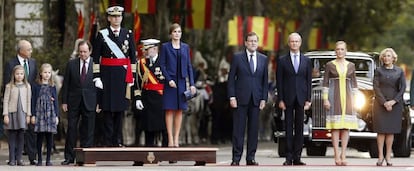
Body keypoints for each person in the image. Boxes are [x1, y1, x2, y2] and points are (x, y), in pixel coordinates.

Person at [91, 5, 137, 147]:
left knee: (120, 110)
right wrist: (97, 76)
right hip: (106, 76)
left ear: (122, 18)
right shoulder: (102, 34)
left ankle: (118, 141)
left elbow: (133, 58)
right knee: (107, 110)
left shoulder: (128, 34)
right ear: (109, 18)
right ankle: (107, 141)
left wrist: (132, 77)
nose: (117, 19)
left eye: (119, 16)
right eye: (114, 16)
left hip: (122, 76)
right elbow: (96, 57)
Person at [227, 32, 268, 166]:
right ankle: (236, 158)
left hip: (256, 99)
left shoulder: (263, 58)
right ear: (245, 43)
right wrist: (231, 96)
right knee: (238, 129)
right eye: (250, 41)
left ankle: (251, 157)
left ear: (258, 43)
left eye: (255, 41)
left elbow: (264, 80)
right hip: (240, 98)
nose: (252, 43)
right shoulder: (237, 57)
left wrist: (264, 98)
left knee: (253, 130)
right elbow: (231, 79)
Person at [276, 32, 311, 166]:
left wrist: (308, 99)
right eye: (292, 41)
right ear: (288, 43)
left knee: (300, 128)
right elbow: (279, 81)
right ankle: (288, 157)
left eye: (296, 41)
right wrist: (280, 100)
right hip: (287, 98)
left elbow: (308, 80)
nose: (294, 44)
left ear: (300, 43)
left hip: (301, 98)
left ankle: (297, 157)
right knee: (288, 128)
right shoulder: (282, 60)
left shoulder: (306, 60)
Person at [159, 23, 196, 147]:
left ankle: (176, 138)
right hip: (170, 81)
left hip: (181, 81)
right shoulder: (165, 47)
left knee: (180, 110)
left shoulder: (185, 47)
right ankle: (170, 138)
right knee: (169, 110)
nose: (177, 34)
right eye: (174, 32)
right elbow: (162, 65)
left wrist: (192, 83)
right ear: (170, 34)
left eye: (179, 32)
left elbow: (189, 66)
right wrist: (168, 79)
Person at [61, 40, 97, 165]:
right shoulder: (71, 64)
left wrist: (99, 103)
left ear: (90, 51)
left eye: (85, 52)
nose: (82, 54)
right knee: (71, 128)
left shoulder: (96, 65)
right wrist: (64, 101)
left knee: (88, 130)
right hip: (73, 101)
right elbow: (66, 84)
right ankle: (69, 157)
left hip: (90, 101)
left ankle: (87, 157)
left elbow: (102, 86)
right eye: (80, 52)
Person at [322, 41, 358, 166]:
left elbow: (354, 84)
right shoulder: (329, 65)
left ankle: (344, 154)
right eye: (337, 49)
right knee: (335, 127)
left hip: (347, 97)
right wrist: (325, 99)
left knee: (346, 127)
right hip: (334, 96)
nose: (340, 51)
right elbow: (325, 83)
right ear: (335, 51)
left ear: (346, 51)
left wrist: (355, 99)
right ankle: (336, 154)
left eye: (342, 49)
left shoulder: (351, 65)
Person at [3, 40, 38, 165]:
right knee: (14, 132)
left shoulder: (33, 62)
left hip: (29, 102)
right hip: (14, 104)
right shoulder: (10, 63)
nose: (31, 51)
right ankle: (14, 158)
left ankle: (32, 157)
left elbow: (35, 83)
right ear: (21, 50)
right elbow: (6, 83)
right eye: (28, 49)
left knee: (30, 130)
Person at [373, 48, 405, 166]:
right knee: (381, 131)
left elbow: (402, 88)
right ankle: (380, 156)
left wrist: (393, 102)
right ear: (382, 58)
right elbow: (376, 87)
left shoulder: (400, 71)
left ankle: (388, 156)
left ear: (393, 58)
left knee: (390, 131)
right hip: (380, 105)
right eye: (385, 56)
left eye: (389, 56)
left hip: (395, 105)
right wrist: (384, 102)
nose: (387, 58)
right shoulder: (378, 71)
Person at [134, 38, 168, 147]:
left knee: (164, 128)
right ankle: (149, 153)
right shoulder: (141, 63)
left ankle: (167, 153)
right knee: (148, 128)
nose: (144, 52)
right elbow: (138, 83)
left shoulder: (164, 62)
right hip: (147, 99)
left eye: (147, 49)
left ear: (155, 49)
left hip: (161, 99)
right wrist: (138, 98)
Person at [3, 65, 32, 166]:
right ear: (13, 75)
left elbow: (29, 101)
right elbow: (6, 101)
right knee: (12, 136)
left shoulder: (27, 86)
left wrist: (28, 115)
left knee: (21, 136)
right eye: (17, 74)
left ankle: (19, 159)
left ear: (24, 75)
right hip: (12, 113)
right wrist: (5, 114)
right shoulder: (9, 86)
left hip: (23, 113)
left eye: (21, 74)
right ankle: (12, 159)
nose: (19, 76)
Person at [31, 63, 59, 166]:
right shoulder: (36, 86)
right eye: (45, 72)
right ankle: (39, 160)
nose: (47, 74)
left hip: (50, 114)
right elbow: (33, 100)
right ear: (41, 73)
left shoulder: (52, 86)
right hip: (40, 114)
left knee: (49, 137)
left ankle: (48, 160)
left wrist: (56, 116)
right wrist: (33, 115)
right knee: (39, 137)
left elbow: (56, 102)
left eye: (49, 72)